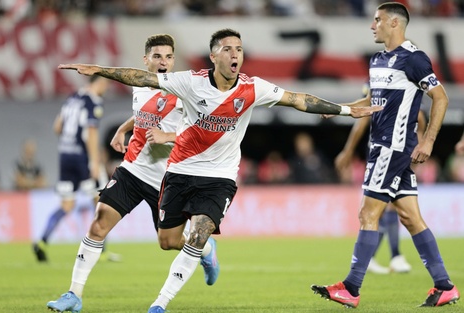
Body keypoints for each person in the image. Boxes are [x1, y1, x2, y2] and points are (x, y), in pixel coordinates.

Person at [58, 28, 382, 313]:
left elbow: (298, 99)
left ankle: (160, 304)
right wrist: (101, 73)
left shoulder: (249, 88)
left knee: (197, 234)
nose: (235, 54)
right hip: (171, 172)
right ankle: (75, 293)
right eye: (227, 49)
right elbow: (141, 85)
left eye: (239, 49)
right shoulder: (187, 83)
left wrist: (343, 110)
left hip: (218, 177)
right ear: (214, 56)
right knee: (164, 240)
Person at [46, 34, 220, 313]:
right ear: (146, 60)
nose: (163, 62)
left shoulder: (186, 91)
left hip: (165, 180)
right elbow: (143, 112)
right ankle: (73, 295)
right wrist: (124, 128)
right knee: (98, 223)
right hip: (131, 170)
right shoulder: (139, 84)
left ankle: (207, 250)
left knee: (169, 242)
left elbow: (203, 134)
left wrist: (168, 136)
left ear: (173, 60)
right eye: (157, 56)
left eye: (168, 57)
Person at [311, 2, 460, 308]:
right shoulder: (378, 59)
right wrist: (342, 109)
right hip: (385, 148)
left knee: (367, 214)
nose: (372, 26)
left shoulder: (414, 58)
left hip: (392, 148)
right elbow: (373, 99)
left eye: (377, 20)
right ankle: (444, 286)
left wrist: (428, 141)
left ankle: (351, 288)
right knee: (410, 217)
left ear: (394, 23)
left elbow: (441, 97)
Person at [334, 82, 427, 274]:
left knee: (385, 209)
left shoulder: (386, 80)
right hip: (384, 152)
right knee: (384, 209)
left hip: (391, 151)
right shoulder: (386, 82)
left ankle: (383, 257)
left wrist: (348, 150)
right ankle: (394, 256)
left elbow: (419, 117)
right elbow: (365, 115)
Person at [32, 74, 110, 263]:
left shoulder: (72, 98)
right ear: (98, 83)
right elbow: (91, 133)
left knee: (67, 205)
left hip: (65, 156)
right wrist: (93, 161)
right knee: (100, 201)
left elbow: (57, 127)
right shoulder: (93, 102)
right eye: (105, 84)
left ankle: (42, 241)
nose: (105, 88)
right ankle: (102, 250)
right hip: (82, 158)